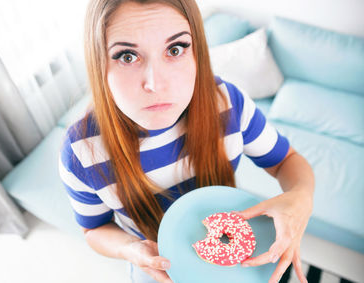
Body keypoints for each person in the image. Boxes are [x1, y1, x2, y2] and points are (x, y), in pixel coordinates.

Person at [58, 0, 315, 282]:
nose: (156, 84)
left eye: (175, 49)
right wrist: (131, 249)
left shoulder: (227, 103)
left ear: (197, 54)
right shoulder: (82, 151)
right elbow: (94, 230)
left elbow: (286, 161)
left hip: (231, 263)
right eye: (127, 56)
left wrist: (299, 197)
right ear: (98, 64)